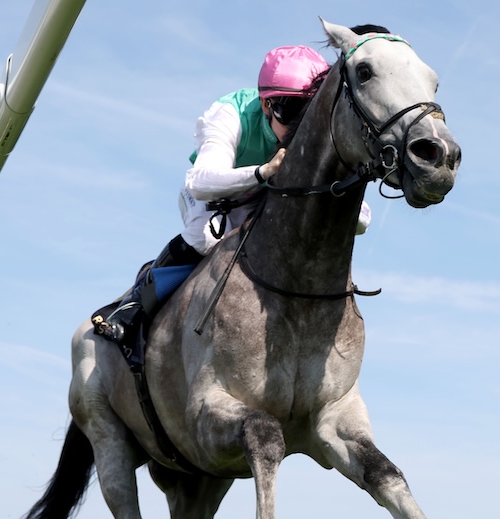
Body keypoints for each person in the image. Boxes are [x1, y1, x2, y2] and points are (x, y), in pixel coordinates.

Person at [94, 39, 374, 365]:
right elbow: (199, 183)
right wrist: (264, 172)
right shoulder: (231, 112)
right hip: (215, 200)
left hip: (269, 206)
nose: (299, 126)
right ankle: (134, 307)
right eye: (292, 112)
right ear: (267, 105)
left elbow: (363, 220)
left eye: (307, 112)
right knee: (206, 238)